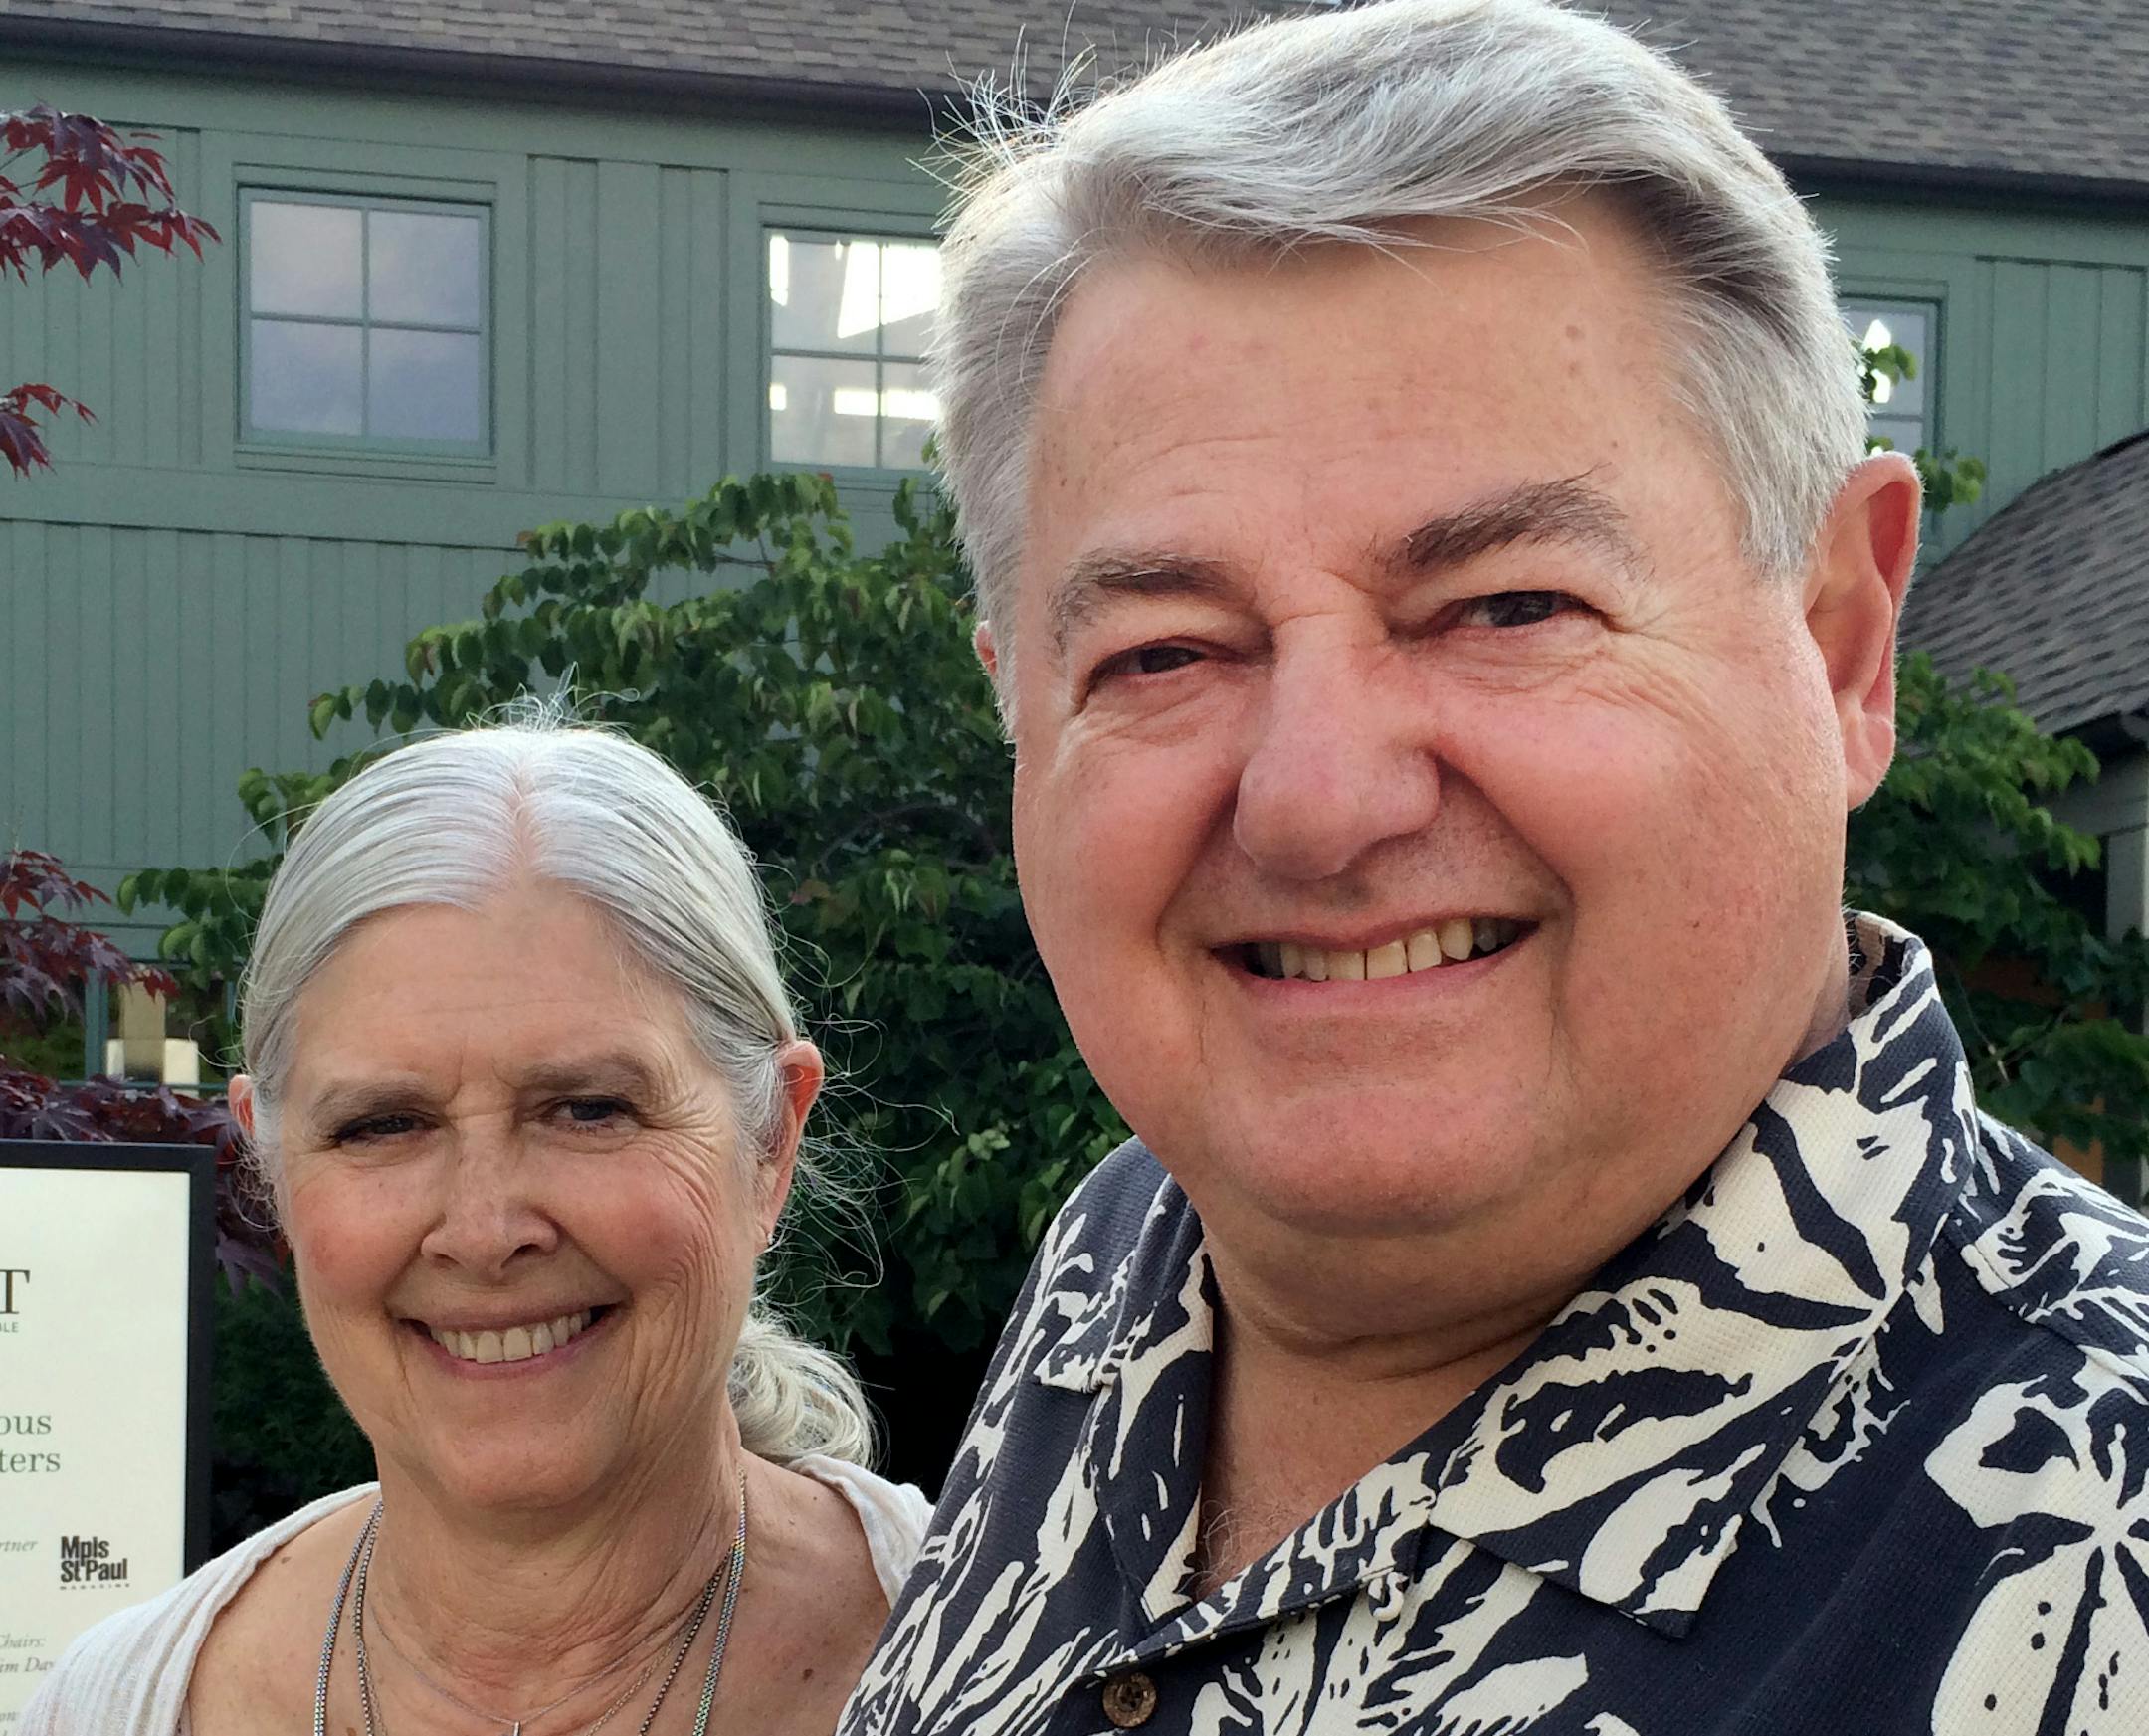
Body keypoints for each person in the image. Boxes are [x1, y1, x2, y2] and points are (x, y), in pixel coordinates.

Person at [840, 1, 2149, 1732]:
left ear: (1842, 644)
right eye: (1163, 653)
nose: (1317, 801)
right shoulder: (1135, 1245)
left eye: (1510, 606)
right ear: (1019, 704)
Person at [26, 719, 930, 1736]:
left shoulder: (1010, 1666)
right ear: (270, 1168)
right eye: (383, 1124)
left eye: (588, 1108)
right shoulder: (115, 1706)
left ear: (770, 1142)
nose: (485, 1228)